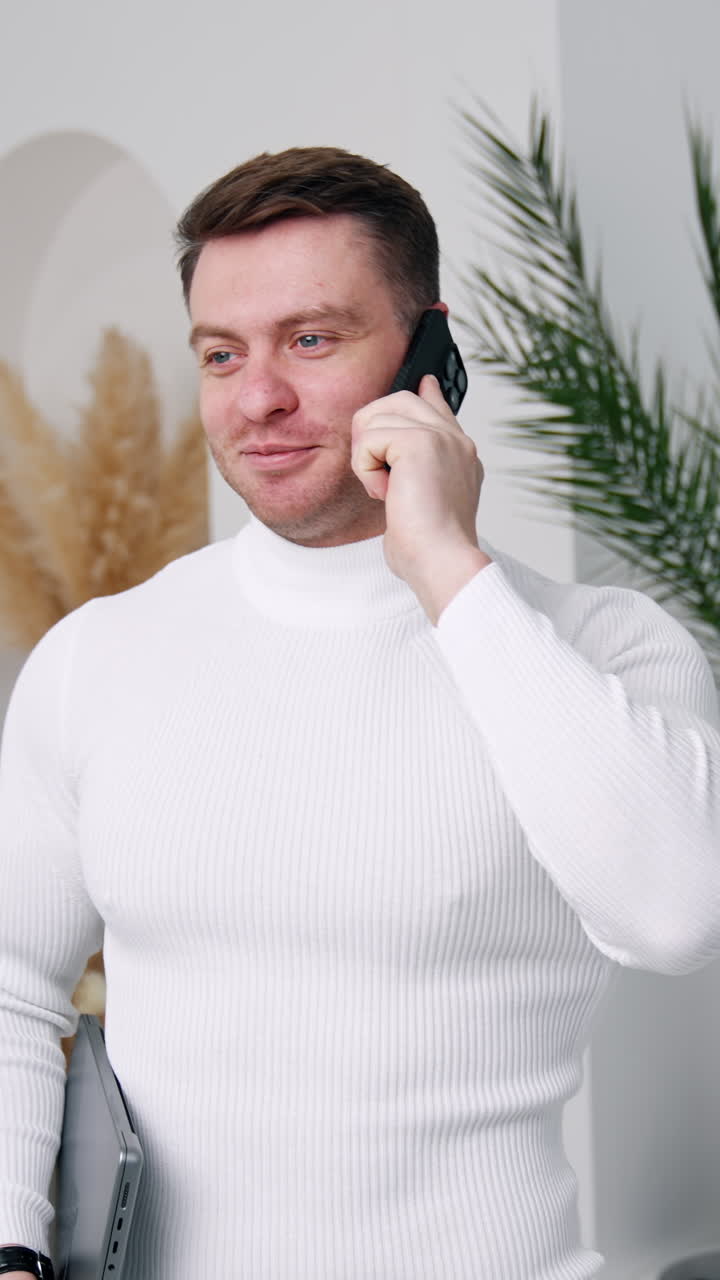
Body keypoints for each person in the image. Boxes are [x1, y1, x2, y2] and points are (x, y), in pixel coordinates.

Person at [0, 146, 719, 1280]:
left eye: (311, 339)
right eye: (222, 353)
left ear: (428, 352)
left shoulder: (601, 646)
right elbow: (10, 983)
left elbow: (677, 916)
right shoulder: (97, 655)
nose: (258, 398)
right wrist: (12, 1246)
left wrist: (445, 568)